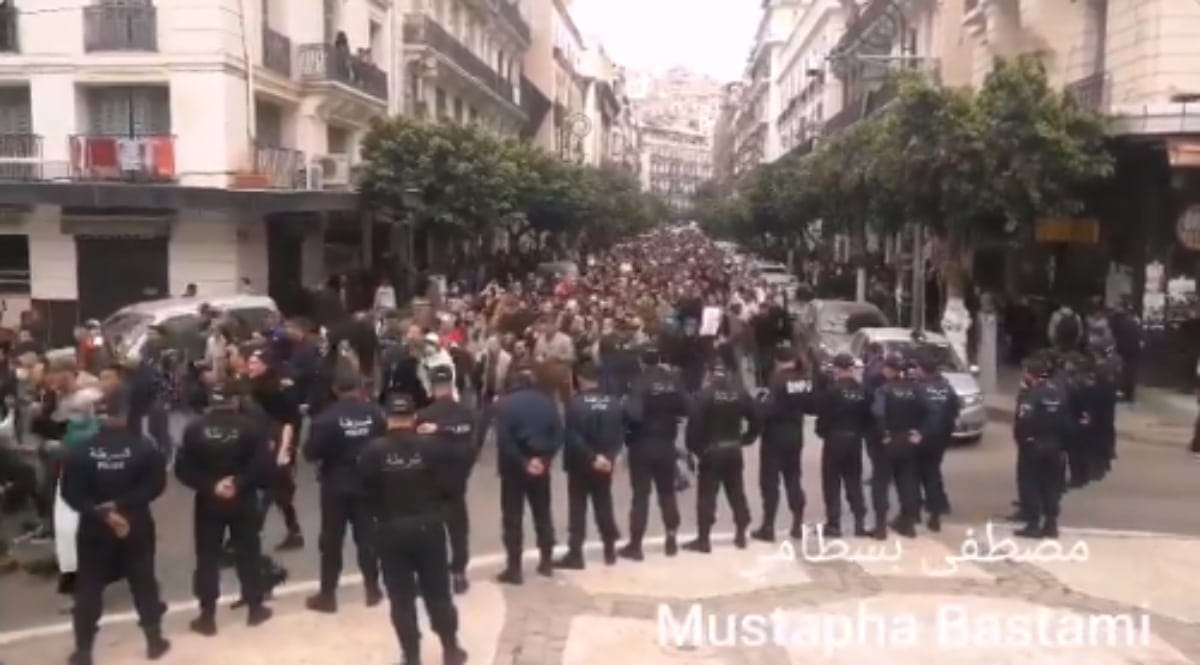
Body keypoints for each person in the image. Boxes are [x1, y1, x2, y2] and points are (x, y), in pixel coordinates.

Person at [59, 395, 170, 665]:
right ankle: (154, 641)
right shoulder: (144, 448)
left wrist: (99, 511)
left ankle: (83, 650)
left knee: (89, 587)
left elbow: (69, 493)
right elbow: (155, 486)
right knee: (143, 580)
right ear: (124, 415)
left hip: (94, 526)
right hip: (135, 522)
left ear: (96, 416)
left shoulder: (80, 452)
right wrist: (122, 505)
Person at [359, 393, 468, 665]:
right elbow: (454, 481)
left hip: (390, 529)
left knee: (401, 597)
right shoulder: (433, 447)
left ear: (387, 419)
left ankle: (411, 654)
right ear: (414, 417)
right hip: (428, 527)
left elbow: (364, 492)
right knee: (438, 592)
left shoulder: (372, 452)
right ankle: (450, 648)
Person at [175, 383, 273, 635]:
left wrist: (211, 485)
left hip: (209, 501)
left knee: (207, 557)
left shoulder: (195, 429)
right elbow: (263, 463)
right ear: (235, 402)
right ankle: (255, 608)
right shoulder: (250, 428)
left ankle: (207, 616)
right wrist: (238, 482)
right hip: (243, 498)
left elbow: (182, 469)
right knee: (248, 552)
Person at [302, 371, 387, 612]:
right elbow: (384, 440)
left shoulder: (325, 419)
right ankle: (373, 588)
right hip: (367, 482)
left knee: (331, 541)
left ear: (335, 390)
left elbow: (310, 453)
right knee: (367, 538)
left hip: (335, 485)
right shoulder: (373, 414)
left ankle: (328, 595)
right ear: (360, 388)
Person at [416, 365, 482, 595]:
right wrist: (464, 471)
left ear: (432, 386)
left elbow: (417, 451)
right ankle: (459, 574)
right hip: (457, 482)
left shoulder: (424, 416)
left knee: (431, 533)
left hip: (430, 483)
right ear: (452, 384)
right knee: (458, 531)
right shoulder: (467, 414)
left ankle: (432, 578)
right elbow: (474, 448)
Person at [493, 366, 562, 583]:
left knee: (513, 517)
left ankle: (514, 568)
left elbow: (505, 441)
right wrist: (544, 459)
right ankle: (547, 561)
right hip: (541, 465)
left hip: (514, 468)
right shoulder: (547, 402)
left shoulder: (504, 405)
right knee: (542, 514)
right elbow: (558, 434)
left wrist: (524, 462)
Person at [683, 363, 761, 552]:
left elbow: (693, 426)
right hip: (733, 448)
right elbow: (757, 416)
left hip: (712, 450)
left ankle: (704, 539)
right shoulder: (740, 393)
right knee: (736, 492)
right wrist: (747, 438)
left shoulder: (705, 396)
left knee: (707, 495)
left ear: (710, 375)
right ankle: (741, 532)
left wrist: (697, 450)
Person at [620, 345, 686, 560]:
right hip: (666, 444)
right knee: (667, 493)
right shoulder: (672, 381)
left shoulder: (639, 382)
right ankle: (671, 538)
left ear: (641, 361)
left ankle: (636, 545)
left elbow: (635, 415)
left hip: (642, 444)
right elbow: (686, 408)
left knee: (641, 496)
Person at [555, 360, 623, 569]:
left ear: (581, 379)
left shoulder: (575, 405)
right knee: (604, 504)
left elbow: (573, 437)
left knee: (578, 508)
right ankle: (609, 549)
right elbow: (619, 434)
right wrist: (609, 457)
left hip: (580, 464)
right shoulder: (613, 403)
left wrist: (592, 457)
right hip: (605, 464)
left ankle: (576, 553)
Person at [242, 348, 304, 550]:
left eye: (254, 362)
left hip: (277, 444)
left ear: (265, 365)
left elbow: (288, 422)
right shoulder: (256, 386)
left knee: (268, 492)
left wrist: (284, 450)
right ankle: (294, 531)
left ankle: (249, 539)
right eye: (249, 362)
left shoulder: (273, 391)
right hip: (266, 443)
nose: (250, 366)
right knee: (280, 493)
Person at [751, 345, 814, 542]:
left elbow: (767, 409)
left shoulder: (777, 381)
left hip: (774, 436)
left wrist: (757, 408)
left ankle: (768, 526)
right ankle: (797, 523)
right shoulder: (804, 379)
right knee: (793, 478)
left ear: (778, 361)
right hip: (795, 434)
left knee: (770, 482)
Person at [1012, 354, 1074, 539]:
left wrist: (1024, 441)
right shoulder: (1058, 392)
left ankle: (1033, 524)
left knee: (1031, 485)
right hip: (1056, 447)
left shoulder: (1031, 395)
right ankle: (1051, 524)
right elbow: (1067, 421)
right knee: (1052, 486)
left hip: (1034, 447)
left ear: (1030, 374)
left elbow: (1023, 421)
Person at [868, 354, 926, 538]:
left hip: (889, 441)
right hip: (908, 440)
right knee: (907, 482)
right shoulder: (916, 389)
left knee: (880, 483)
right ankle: (908, 525)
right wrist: (920, 432)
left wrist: (883, 434)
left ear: (890, 370)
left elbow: (878, 414)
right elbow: (928, 411)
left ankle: (880, 527)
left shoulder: (883, 390)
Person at [815, 353, 871, 538]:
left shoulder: (832, 391)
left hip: (834, 440)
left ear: (837, 369)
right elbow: (868, 418)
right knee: (854, 481)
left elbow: (823, 419)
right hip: (854, 440)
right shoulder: (863, 391)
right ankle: (859, 523)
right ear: (852, 368)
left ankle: (834, 524)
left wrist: (823, 433)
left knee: (831, 483)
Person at [913, 349, 960, 532]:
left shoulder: (919, 388)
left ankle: (915, 512)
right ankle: (935, 513)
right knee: (932, 473)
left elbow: (923, 414)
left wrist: (921, 434)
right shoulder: (947, 387)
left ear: (922, 369)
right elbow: (954, 411)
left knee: (917, 475)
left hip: (924, 437)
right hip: (940, 439)